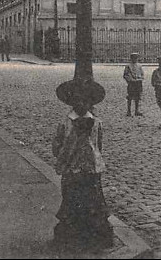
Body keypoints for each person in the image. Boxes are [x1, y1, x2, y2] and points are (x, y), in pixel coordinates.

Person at [52, 88, 113, 250]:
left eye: (85, 101)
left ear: (90, 103)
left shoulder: (97, 123)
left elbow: (99, 145)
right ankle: (72, 233)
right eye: (77, 100)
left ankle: (93, 233)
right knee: (72, 199)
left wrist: (95, 160)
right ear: (72, 103)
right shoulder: (65, 123)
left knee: (93, 200)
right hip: (72, 169)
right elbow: (57, 145)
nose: (81, 104)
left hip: (91, 170)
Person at [122, 52, 145, 116]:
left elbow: (142, 74)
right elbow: (125, 75)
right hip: (131, 83)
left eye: (136, 58)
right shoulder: (128, 66)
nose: (135, 59)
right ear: (131, 58)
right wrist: (129, 80)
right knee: (130, 97)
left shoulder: (139, 66)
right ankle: (129, 111)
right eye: (133, 58)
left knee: (137, 97)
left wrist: (140, 78)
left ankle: (136, 111)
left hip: (138, 83)